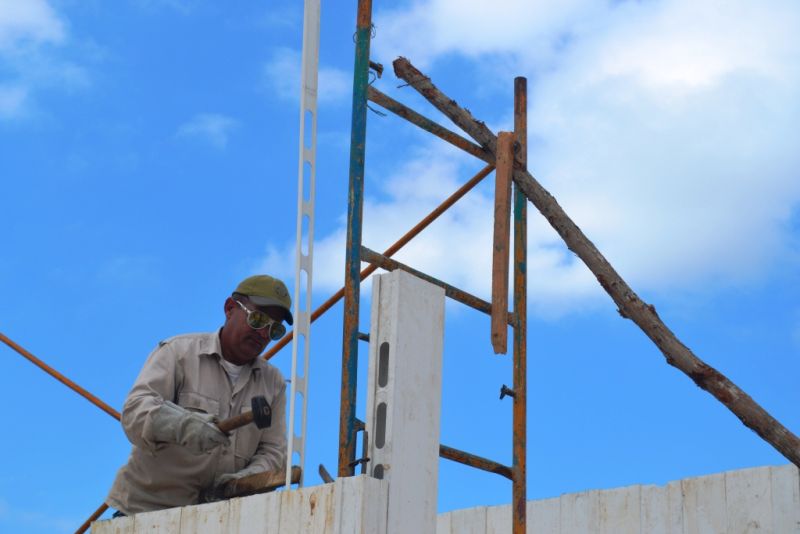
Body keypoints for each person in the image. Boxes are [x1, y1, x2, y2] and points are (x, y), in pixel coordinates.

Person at [106, 274, 292, 515]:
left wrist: (241, 481)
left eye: (275, 329)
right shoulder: (179, 353)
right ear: (229, 309)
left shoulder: (273, 382)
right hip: (144, 515)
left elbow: (273, 452)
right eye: (257, 319)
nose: (264, 334)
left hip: (217, 521)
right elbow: (135, 412)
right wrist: (185, 425)